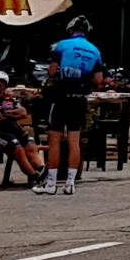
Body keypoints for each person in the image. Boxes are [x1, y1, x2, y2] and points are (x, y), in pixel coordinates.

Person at [41, 19, 100, 195]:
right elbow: (98, 80)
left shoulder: (61, 45)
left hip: (61, 97)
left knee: (55, 139)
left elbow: (52, 71)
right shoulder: (95, 50)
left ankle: (51, 184)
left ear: (70, 29)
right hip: (80, 98)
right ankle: (70, 183)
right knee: (75, 141)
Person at [0, 71, 43, 186]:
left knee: (30, 145)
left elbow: (23, 113)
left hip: (14, 131)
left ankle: (42, 170)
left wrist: (3, 114)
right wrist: (12, 114)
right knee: (18, 149)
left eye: (2, 85)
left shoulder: (10, 100)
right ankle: (35, 176)